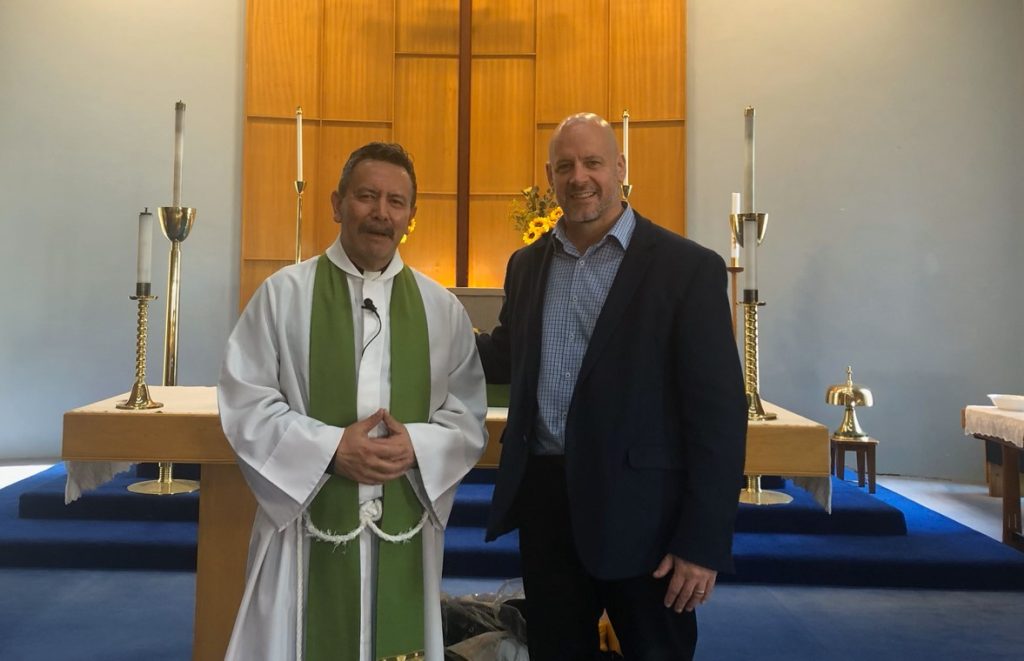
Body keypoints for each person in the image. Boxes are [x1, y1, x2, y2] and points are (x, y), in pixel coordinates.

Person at [477, 113, 747, 660]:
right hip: (548, 506)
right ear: (549, 178)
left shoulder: (685, 268)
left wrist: (702, 542)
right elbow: (505, 354)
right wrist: (414, 327)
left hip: (646, 517)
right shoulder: (528, 265)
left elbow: (718, 414)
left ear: (619, 169)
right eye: (565, 166)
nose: (580, 177)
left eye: (593, 162)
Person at [218, 142, 487, 661]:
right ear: (337, 203)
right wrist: (329, 449)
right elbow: (246, 400)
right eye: (367, 196)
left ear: (411, 214)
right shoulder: (282, 295)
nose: (381, 213)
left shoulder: (442, 309)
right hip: (304, 533)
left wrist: (419, 446)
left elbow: (465, 412)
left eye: (396, 201)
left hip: (404, 529)